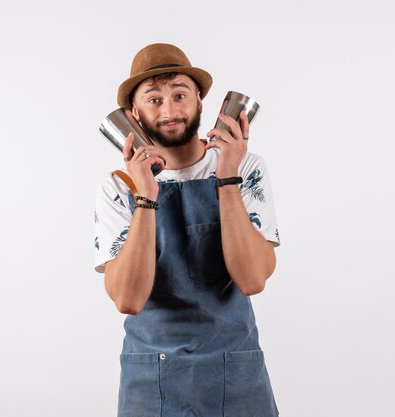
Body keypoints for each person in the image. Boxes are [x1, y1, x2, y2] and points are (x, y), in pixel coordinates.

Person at [94, 43, 280, 417]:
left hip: (237, 375)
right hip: (151, 382)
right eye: (154, 99)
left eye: (180, 95)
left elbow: (253, 279)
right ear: (134, 114)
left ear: (199, 99)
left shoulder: (245, 168)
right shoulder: (118, 187)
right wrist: (146, 195)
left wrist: (226, 176)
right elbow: (127, 299)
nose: (170, 110)